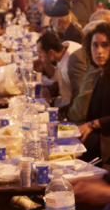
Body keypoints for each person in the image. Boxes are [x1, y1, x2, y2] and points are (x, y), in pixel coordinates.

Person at [78, 23, 110, 162]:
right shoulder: (99, 74)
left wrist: (92, 125)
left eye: (105, 45)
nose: (99, 51)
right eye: (95, 45)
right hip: (100, 138)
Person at [36, 31, 81, 105]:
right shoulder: (64, 49)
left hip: (70, 106)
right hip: (64, 101)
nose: (38, 56)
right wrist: (44, 64)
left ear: (51, 52)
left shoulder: (72, 62)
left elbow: (77, 97)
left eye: (40, 52)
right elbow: (59, 75)